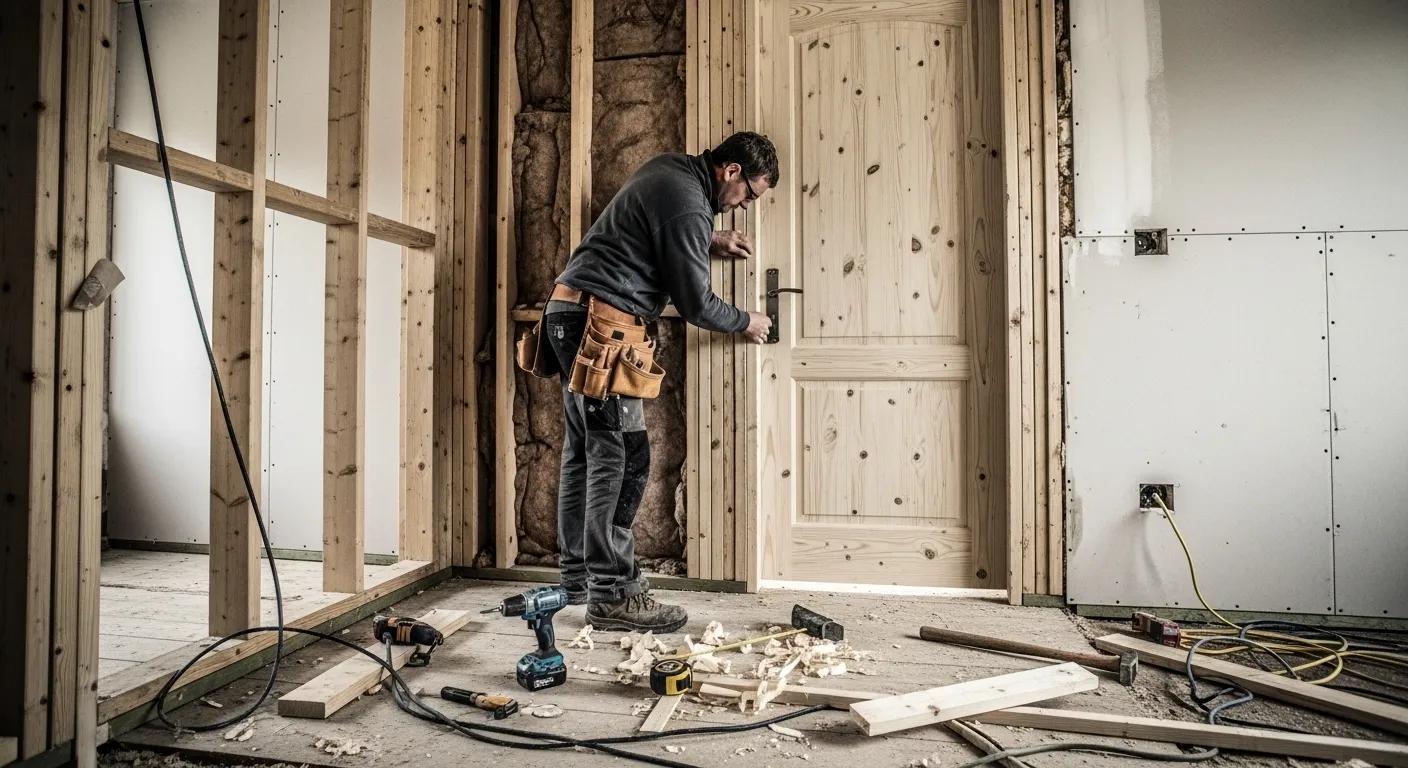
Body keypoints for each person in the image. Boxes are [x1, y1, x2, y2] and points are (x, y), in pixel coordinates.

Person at [517, 131, 778, 633]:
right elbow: (697, 303)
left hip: (568, 313)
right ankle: (613, 593)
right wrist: (747, 320)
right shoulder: (689, 204)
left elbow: (654, 231)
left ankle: (577, 578)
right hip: (602, 330)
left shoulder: (672, 172)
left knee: (586, 451)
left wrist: (708, 239)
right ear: (730, 172)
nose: (743, 206)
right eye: (749, 193)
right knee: (624, 456)